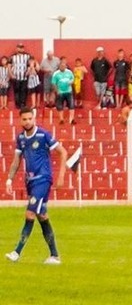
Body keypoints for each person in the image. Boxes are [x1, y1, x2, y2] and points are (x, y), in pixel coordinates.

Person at [6, 107, 68, 264]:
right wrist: (9, 179)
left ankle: (16, 252)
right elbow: (16, 161)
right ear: (20, 120)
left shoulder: (43, 135)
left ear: (34, 119)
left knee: (29, 214)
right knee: (42, 216)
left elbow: (63, 152)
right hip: (30, 182)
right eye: (24, 119)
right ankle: (54, 256)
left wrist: (61, 176)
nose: (27, 122)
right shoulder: (20, 138)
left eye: (29, 119)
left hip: (43, 179)